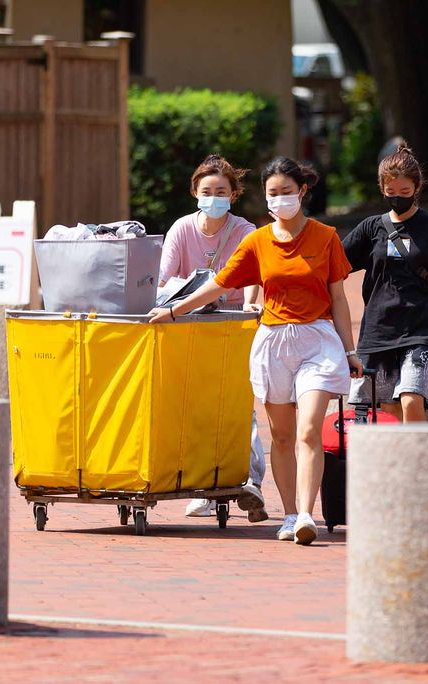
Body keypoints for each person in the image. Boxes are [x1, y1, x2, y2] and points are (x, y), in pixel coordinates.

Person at [149, 157, 363, 545]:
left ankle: (306, 516)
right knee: (282, 436)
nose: (280, 199)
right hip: (273, 342)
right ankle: (290, 514)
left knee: (310, 428)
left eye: (287, 192)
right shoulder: (258, 241)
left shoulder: (325, 236)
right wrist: (173, 310)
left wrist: (350, 350)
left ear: (302, 192)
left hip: (316, 339)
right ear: (265, 199)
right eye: (273, 193)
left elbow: (339, 298)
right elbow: (217, 284)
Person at [160, 154, 268, 523]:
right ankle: (202, 486)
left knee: (239, 405)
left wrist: (252, 306)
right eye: (207, 190)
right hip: (190, 324)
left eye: (221, 191)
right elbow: (164, 279)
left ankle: (250, 481)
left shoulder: (245, 231)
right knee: (194, 405)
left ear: (233, 195)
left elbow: (254, 276)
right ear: (195, 192)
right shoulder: (181, 229)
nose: (213, 196)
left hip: (232, 325)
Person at [341, 142, 428, 423]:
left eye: (404, 192)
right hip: (378, 329)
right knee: (387, 408)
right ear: (381, 189)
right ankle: (425, 439)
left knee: (412, 399)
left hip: (421, 327)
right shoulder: (370, 228)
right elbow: (334, 267)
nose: (397, 198)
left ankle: (418, 464)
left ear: (417, 188)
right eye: (390, 193)